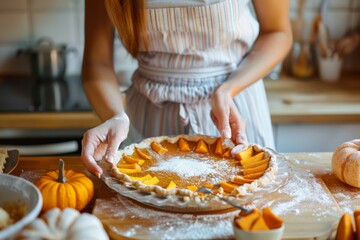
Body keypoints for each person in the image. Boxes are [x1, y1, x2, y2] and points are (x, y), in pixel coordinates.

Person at [81, 0, 292, 177]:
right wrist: (116, 116)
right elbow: (97, 62)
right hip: (149, 116)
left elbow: (278, 32)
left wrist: (228, 90)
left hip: (233, 108)